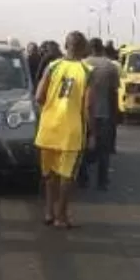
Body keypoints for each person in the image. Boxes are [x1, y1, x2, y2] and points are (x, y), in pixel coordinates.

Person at [34, 31, 93, 229]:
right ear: (83, 48)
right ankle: (61, 216)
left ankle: (49, 211)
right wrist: (91, 131)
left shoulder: (53, 66)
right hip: (72, 130)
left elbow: (39, 96)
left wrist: (51, 107)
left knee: (49, 173)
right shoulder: (87, 71)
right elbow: (88, 106)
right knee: (67, 175)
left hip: (49, 127)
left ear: (66, 45)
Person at [78, 38, 120, 190]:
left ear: (89, 48)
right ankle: (102, 182)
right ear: (102, 48)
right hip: (103, 113)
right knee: (104, 150)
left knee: (81, 147)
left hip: (82, 113)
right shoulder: (110, 66)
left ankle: (83, 179)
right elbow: (113, 93)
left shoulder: (81, 65)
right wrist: (115, 115)